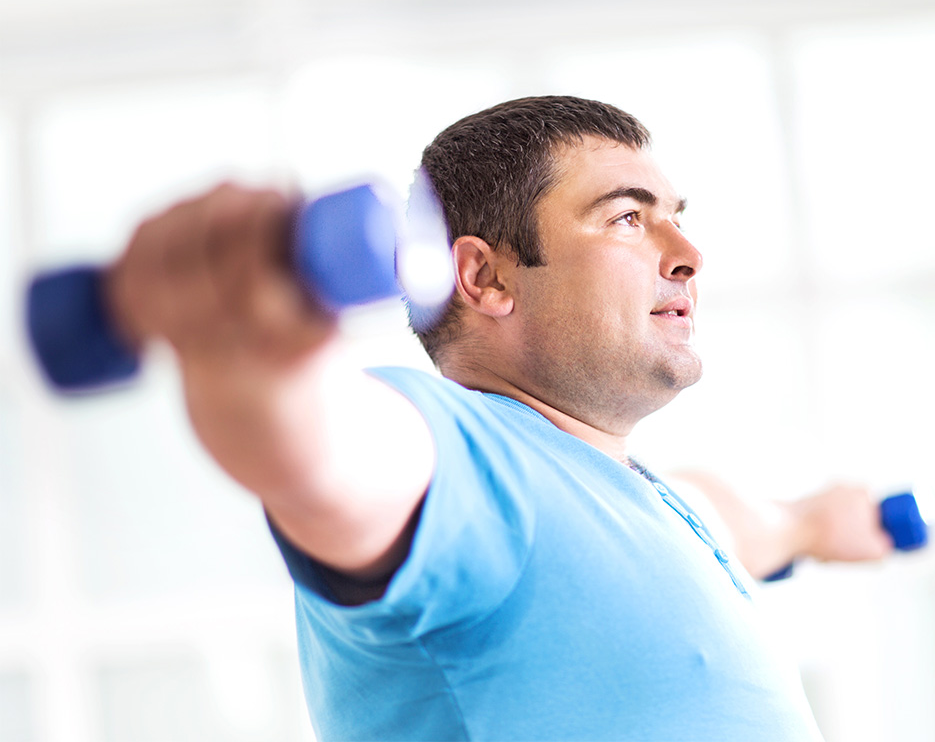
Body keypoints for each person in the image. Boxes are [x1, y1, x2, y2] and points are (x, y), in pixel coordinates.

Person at [109, 95, 891, 741]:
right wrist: (256, 356)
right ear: (484, 276)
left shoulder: (660, 504)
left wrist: (818, 524)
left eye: (677, 216)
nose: (688, 252)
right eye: (627, 217)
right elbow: (324, 452)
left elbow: (746, 523)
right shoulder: (461, 455)